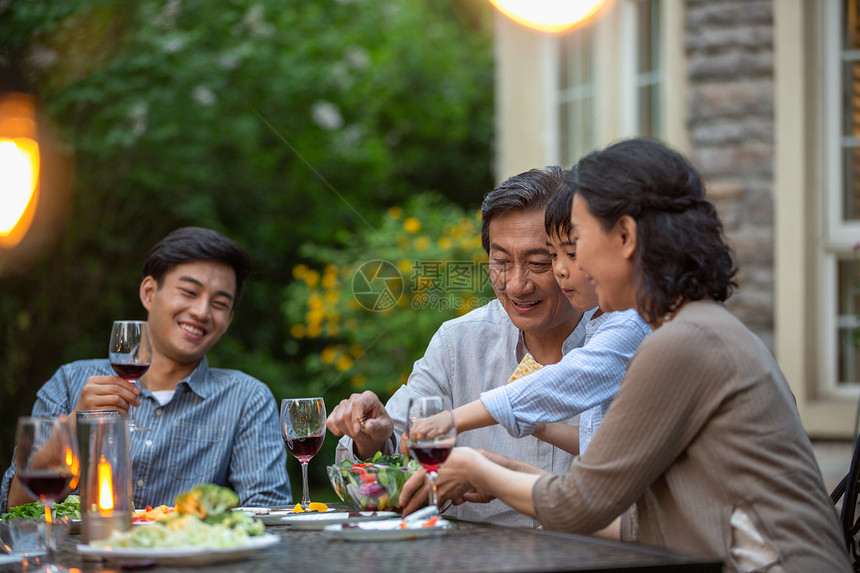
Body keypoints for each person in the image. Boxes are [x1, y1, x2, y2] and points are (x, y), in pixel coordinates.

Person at [402, 138, 851, 571]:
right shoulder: (691, 327)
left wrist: (477, 465)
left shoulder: (680, 343)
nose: (566, 269)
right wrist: (500, 470)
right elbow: (630, 515)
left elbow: (580, 506)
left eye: (575, 243)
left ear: (625, 237)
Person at [327, 167, 589, 526]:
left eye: (538, 263)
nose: (516, 285)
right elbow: (393, 451)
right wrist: (375, 437)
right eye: (500, 263)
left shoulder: (620, 343)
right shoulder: (459, 342)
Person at [0, 227, 292, 510]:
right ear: (149, 293)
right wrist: (74, 428)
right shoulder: (70, 382)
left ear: (228, 320)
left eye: (219, 303)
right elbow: (14, 511)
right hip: (79, 560)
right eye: (190, 292)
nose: (202, 312)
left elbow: (269, 515)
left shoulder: (246, 399)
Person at [439, 178, 650, 460]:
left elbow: (565, 382)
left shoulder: (629, 325)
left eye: (541, 263)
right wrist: (541, 428)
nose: (562, 270)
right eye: (553, 256)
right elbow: (600, 444)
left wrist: (451, 421)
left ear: (623, 246)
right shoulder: (457, 338)